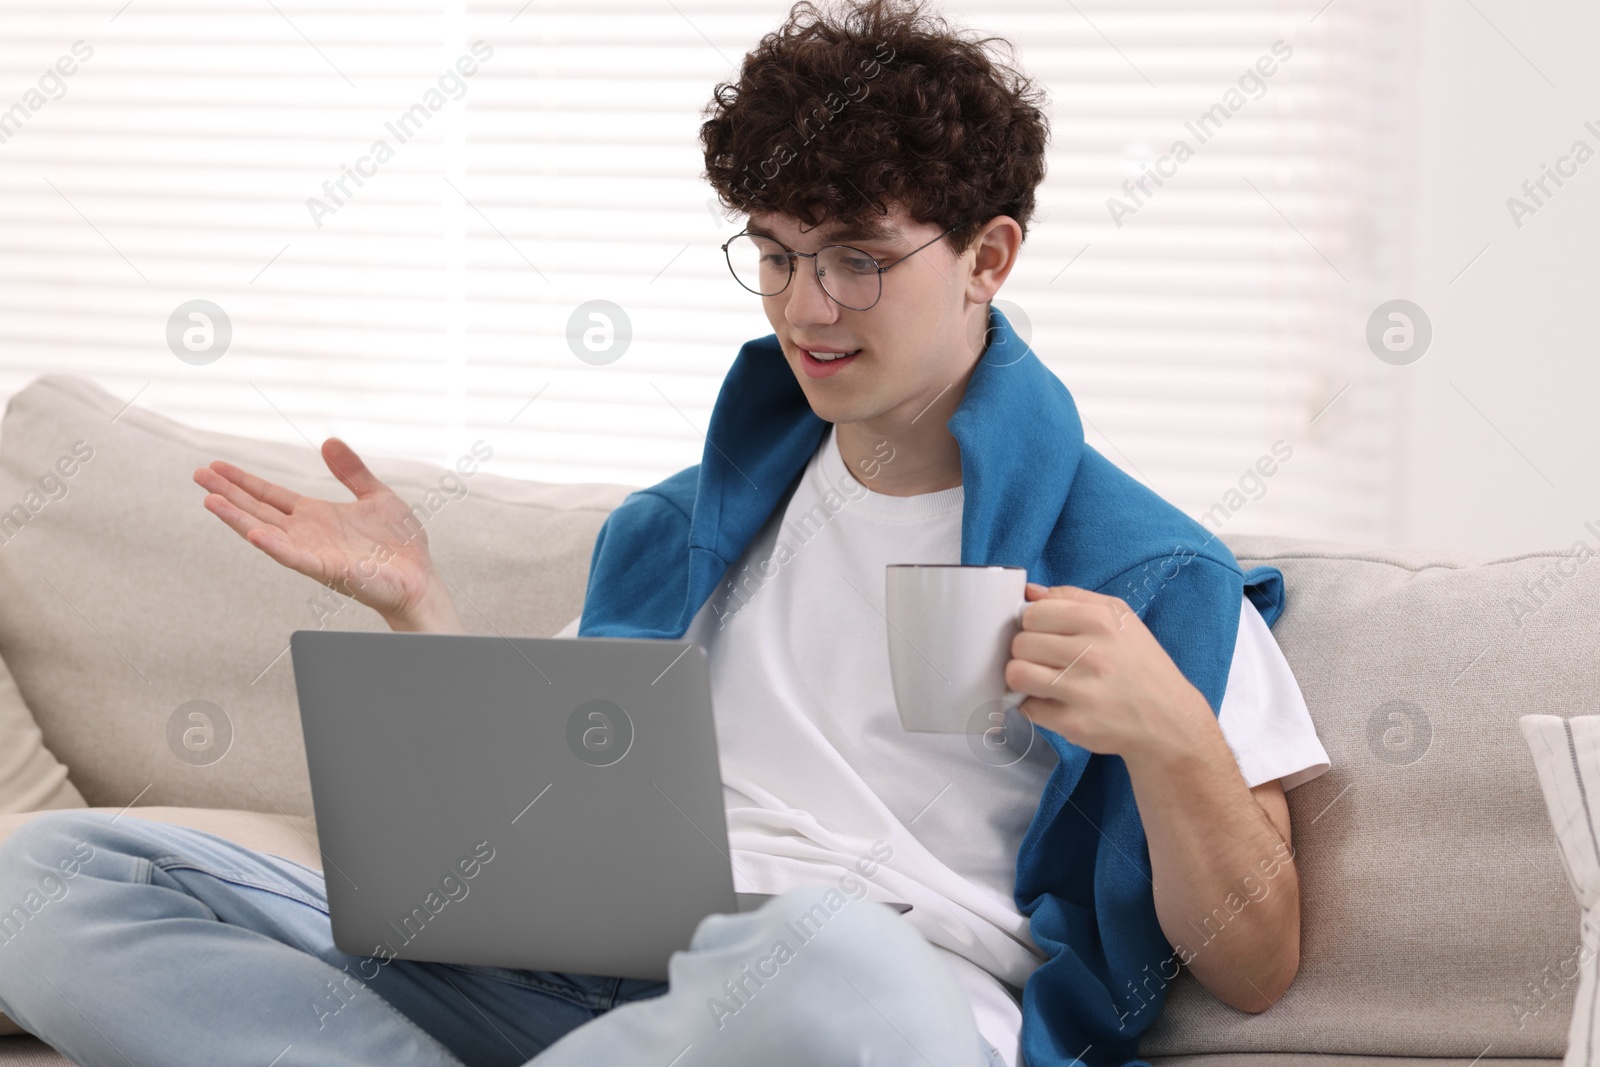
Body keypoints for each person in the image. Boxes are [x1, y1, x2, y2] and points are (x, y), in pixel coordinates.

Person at [0, 1, 1330, 1065]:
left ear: (989, 256)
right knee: (48, 878)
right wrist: (421, 611)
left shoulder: (1152, 573)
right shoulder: (682, 527)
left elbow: (1256, 965)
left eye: (859, 256)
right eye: (775, 251)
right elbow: (546, 834)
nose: (808, 306)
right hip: (608, 988)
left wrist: (1169, 729)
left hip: (876, 1007)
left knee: (825, 951)